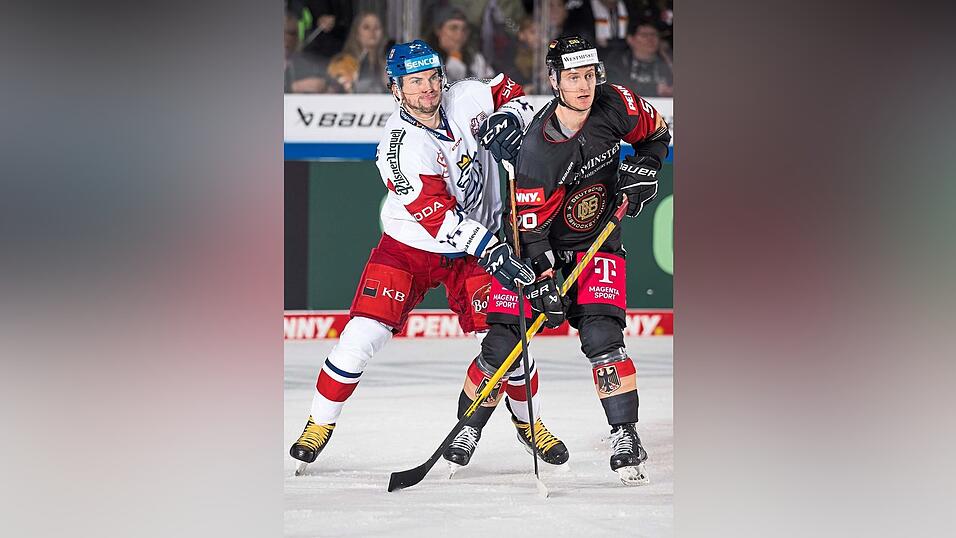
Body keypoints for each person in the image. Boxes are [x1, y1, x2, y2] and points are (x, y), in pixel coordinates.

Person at [290, 40, 569, 473]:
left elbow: (516, 95)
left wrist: (508, 119)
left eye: (432, 79)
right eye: (414, 82)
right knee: (360, 337)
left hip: (475, 247)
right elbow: (438, 219)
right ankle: (318, 423)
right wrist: (496, 252)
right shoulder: (400, 148)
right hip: (411, 248)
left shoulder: (468, 96)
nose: (427, 90)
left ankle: (527, 420)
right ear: (396, 90)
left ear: (443, 77)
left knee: (508, 343)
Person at [452, 35, 670, 486]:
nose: (584, 85)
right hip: (534, 248)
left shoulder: (617, 104)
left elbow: (658, 133)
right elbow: (532, 233)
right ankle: (467, 429)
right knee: (502, 346)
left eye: (589, 75)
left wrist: (647, 166)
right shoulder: (538, 150)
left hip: (597, 241)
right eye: (573, 77)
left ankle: (625, 435)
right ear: (554, 81)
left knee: (604, 339)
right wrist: (544, 281)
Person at [605, 18, 672, 97]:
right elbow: (615, 87)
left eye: (654, 34)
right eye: (644, 35)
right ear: (630, 39)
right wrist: (654, 89)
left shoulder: (667, 60)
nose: (650, 39)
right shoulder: (617, 61)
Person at [428, 7, 495, 82]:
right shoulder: (426, 58)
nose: (459, 34)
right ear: (438, 30)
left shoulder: (475, 58)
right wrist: (454, 54)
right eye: (453, 28)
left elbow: (489, 83)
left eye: (464, 29)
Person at [337, 11, 389, 94]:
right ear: (356, 33)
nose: (372, 32)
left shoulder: (388, 62)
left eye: (377, 27)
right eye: (366, 27)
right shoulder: (344, 62)